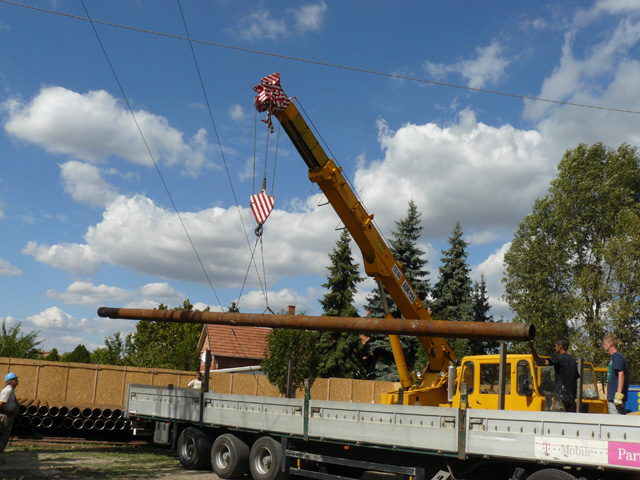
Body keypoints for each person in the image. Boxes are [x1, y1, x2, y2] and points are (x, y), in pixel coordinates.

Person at [529, 338, 579, 412]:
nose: (555, 348)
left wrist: (532, 349)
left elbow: (540, 363)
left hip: (560, 397)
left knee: (555, 417)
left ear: (560, 346)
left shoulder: (558, 358)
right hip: (571, 399)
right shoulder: (573, 360)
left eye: (556, 346)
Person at [603, 335, 629, 415]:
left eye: (604, 343)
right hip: (613, 397)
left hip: (616, 399)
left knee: (615, 421)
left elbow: (621, 375)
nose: (603, 346)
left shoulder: (617, 356)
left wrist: (618, 395)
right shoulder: (613, 357)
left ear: (610, 344)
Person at [0, 372, 19, 461]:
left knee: (4, 436)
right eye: (16, 379)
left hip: (7, 416)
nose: (17, 381)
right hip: (5, 417)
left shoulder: (10, 390)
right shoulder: (8, 390)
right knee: (3, 436)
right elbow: (1, 403)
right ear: (12, 381)